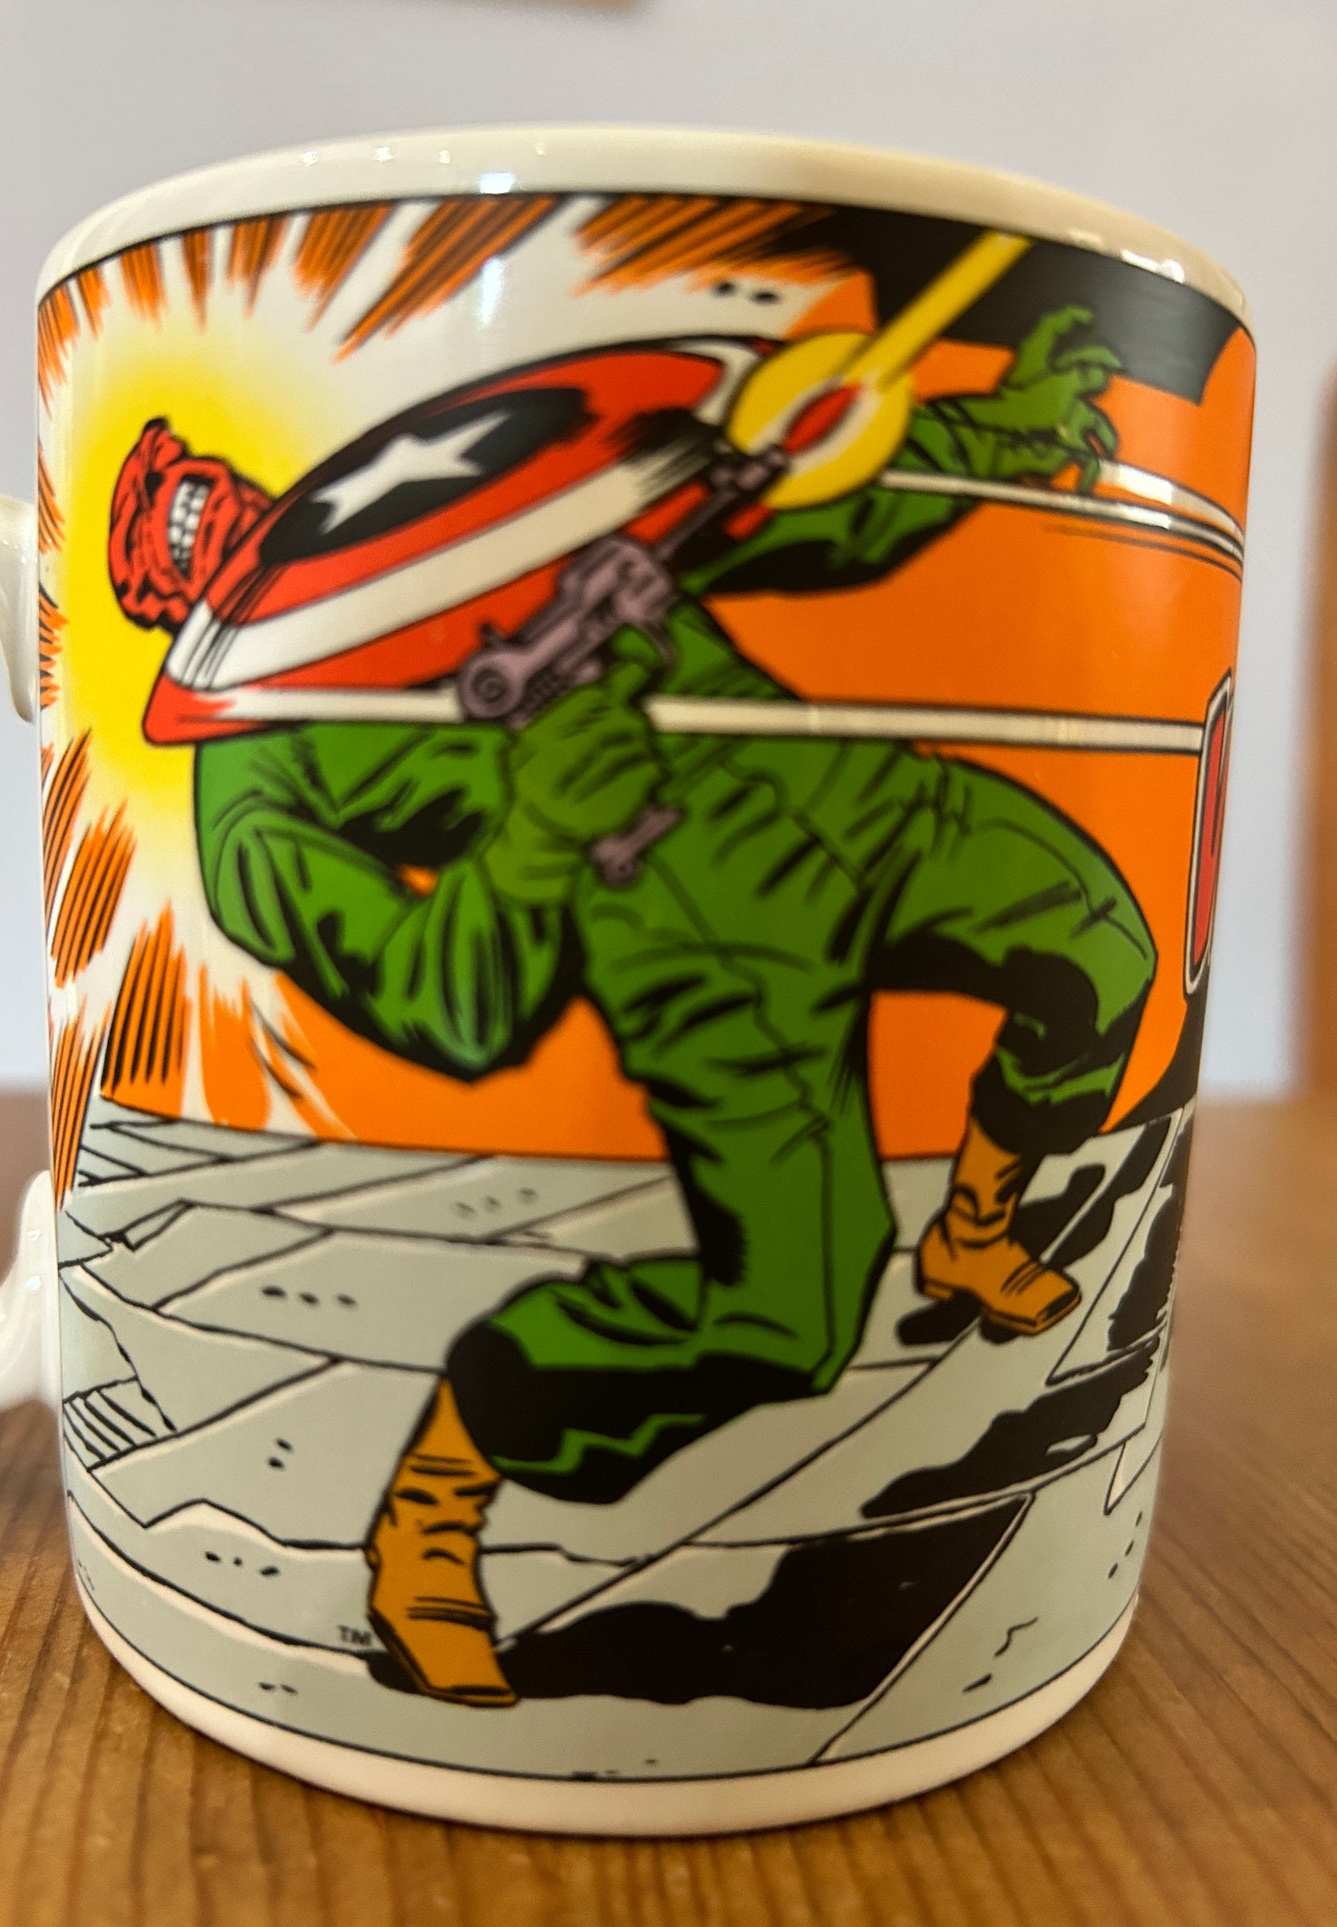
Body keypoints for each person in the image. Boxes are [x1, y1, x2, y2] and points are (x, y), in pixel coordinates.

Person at [109, 306, 1156, 1709]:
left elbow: (793, 513)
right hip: (704, 959)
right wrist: (533, 842)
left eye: (244, 503)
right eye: (206, 541)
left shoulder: (508, 522)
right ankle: (436, 1502)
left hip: (852, 804)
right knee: (789, 1319)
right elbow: (447, 1008)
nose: (248, 530)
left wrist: (990, 438)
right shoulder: (257, 783)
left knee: (1098, 952)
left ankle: (973, 1229)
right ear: (182, 607)